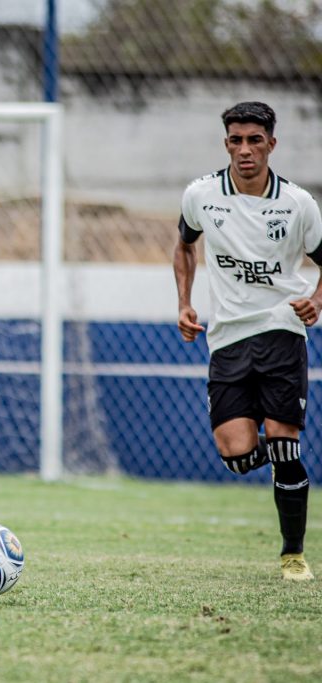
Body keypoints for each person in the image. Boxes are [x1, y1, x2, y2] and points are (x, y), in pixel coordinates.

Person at [174, 101, 321, 581]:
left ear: (271, 145)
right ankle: (285, 461)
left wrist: (316, 300)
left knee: (283, 445)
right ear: (226, 145)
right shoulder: (201, 194)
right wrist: (185, 303)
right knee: (236, 456)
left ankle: (293, 554)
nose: (244, 150)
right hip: (227, 340)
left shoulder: (298, 204)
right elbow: (184, 245)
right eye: (236, 140)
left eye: (254, 140)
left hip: (282, 330)